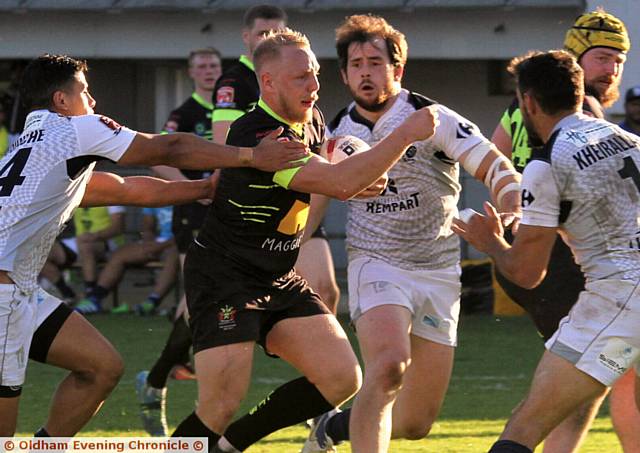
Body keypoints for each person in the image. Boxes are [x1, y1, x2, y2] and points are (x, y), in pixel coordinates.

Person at [0, 53, 307, 437]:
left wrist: (201, 188)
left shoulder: (34, 143)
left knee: (101, 367)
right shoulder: (75, 129)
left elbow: (123, 188)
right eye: (85, 91)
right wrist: (250, 156)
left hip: (20, 291)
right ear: (61, 101)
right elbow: (169, 147)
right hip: (4, 296)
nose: (93, 101)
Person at [169, 29, 438, 453]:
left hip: (277, 276)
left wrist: (348, 163)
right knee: (219, 404)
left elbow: (332, 164)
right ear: (269, 82)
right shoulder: (259, 135)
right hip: (225, 278)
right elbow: (338, 183)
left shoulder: (308, 117)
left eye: (314, 74)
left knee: (341, 377)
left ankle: (232, 445)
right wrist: (404, 133)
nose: (314, 86)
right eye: (300, 78)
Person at [301, 15, 520, 453]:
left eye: (376, 62)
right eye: (356, 63)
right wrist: (287, 248)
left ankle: (334, 428)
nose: (366, 71)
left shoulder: (433, 118)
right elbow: (314, 197)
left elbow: (497, 166)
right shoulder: (331, 132)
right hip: (376, 262)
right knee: (387, 367)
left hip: (438, 270)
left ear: (397, 70)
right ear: (343, 74)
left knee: (417, 423)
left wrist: (511, 208)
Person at [453, 48, 640, 453]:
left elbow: (525, 273)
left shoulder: (547, 162)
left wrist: (490, 242)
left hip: (619, 304)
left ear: (528, 102)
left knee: (525, 426)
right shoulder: (630, 139)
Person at [212, 4, 341, 313]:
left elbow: (329, 178)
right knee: (216, 304)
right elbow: (224, 146)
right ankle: (175, 362)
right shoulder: (235, 82)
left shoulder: (312, 107)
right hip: (251, 213)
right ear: (247, 38)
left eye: (276, 33)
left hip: (298, 207)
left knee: (326, 290)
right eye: (261, 33)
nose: (269, 38)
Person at [136, 46, 223, 436]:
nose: (209, 71)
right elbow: (158, 157)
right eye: (202, 66)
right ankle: (164, 378)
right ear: (190, 72)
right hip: (194, 215)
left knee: (204, 300)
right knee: (198, 298)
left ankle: (164, 373)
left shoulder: (231, 108)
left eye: (214, 66)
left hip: (226, 216)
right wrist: (192, 188)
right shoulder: (183, 115)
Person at [76, 206, 178, 315]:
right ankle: (94, 299)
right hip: (159, 243)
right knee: (120, 255)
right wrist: (149, 242)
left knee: (175, 255)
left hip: (180, 244)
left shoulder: (188, 197)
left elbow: (187, 232)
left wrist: (161, 246)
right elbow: (147, 227)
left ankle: (151, 302)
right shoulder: (156, 197)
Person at [73, 205, 126, 302]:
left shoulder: (113, 196)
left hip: (108, 242)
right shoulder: (76, 193)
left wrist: (94, 236)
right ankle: (68, 295)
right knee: (44, 251)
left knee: (86, 248)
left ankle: (90, 294)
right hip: (80, 240)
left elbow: (118, 228)